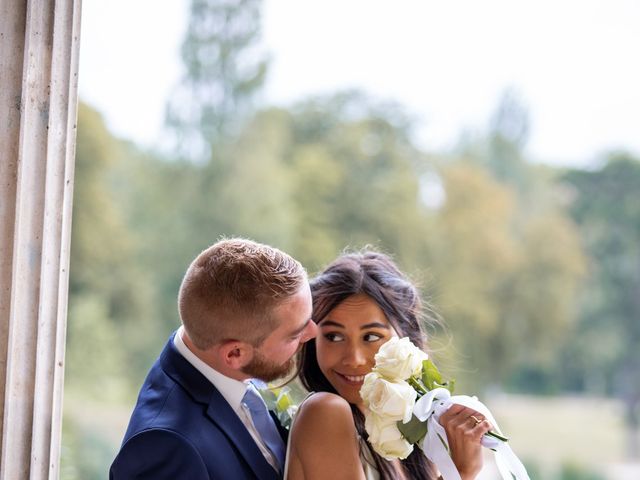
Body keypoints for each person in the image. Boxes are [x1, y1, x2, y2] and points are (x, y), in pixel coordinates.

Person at [110, 238, 318, 479]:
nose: (313, 332)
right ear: (234, 354)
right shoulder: (166, 448)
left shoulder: (214, 349)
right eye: (294, 335)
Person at [285, 250, 492, 480]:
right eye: (334, 336)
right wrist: (462, 472)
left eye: (371, 337)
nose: (354, 359)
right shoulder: (325, 412)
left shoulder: (410, 438)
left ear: (406, 336)